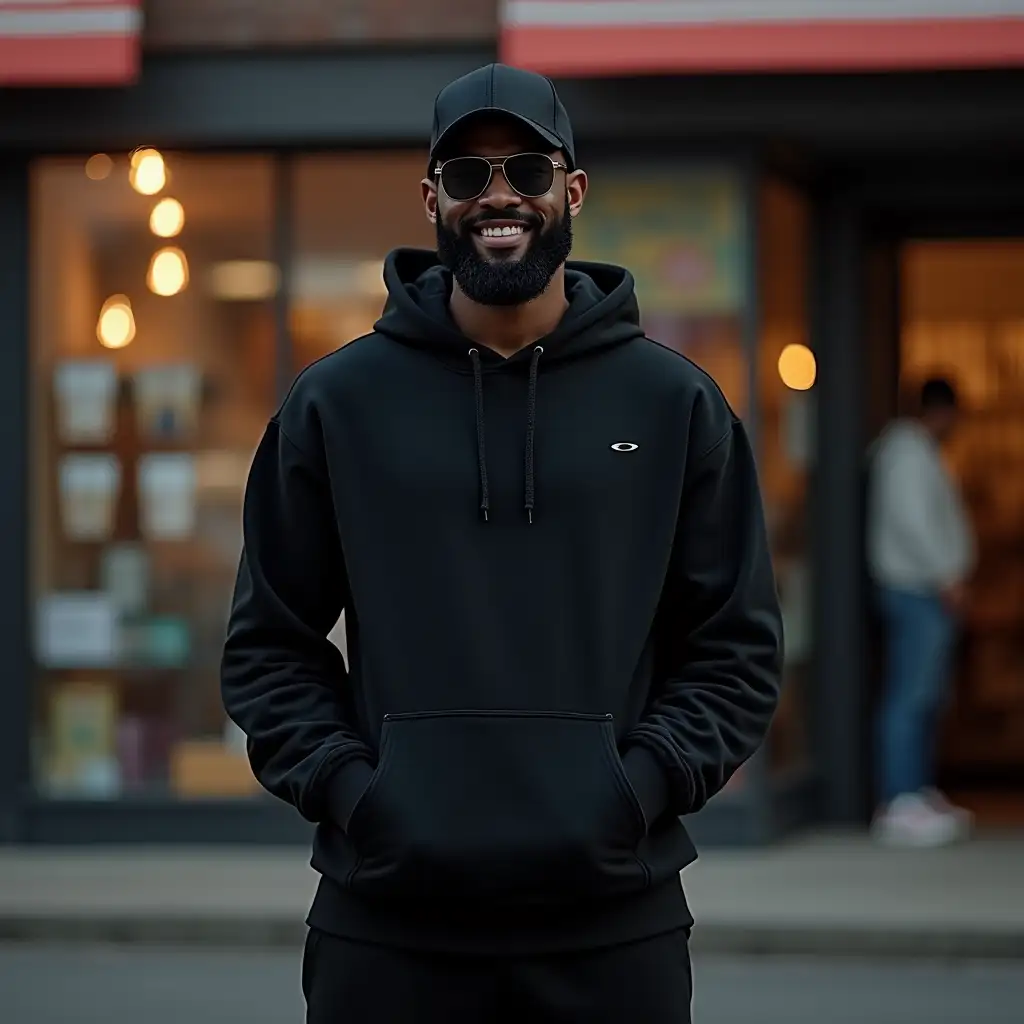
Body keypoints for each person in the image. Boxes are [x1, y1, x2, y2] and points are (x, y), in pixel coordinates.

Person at [222, 63, 783, 1023]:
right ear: (430, 196)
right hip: (386, 929)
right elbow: (270, 647)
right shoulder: (337, 404)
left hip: (613, 925)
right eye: (469, 173)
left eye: (526, 167)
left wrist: (632, 790)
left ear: (572, 191)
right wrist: (361, 796)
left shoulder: (675, 405)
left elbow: (735, 650)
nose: (499, 196)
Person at [867, 377, 976, 847]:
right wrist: (946, 575)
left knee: (923, 694)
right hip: (918, 590)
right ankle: (901, 800)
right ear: (940, 411)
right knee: (911, 695)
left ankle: (915, 793)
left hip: (922, 590)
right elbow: (913, 522)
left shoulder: (910, 452)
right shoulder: (908, 455)